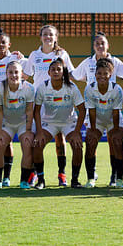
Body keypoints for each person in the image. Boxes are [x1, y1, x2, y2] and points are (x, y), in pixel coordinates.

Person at [24, 25, 75, 186]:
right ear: (40, 37)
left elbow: (71, 75)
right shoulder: (34, 55)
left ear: (56, 37)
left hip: (59, 102)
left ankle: (62, 174)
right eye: (45, 34)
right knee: (36, 138)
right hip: (40, 102)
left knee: (60, 138)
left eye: (51, 35)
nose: (48, 37)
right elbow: (25, 75)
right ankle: (35, 174)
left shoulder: (62, 54)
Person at [33, 58, 85, 188]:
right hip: (49, 122)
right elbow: (36, 111)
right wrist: (39, 132)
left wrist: (77, 132)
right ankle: (40, 180)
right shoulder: (42, 87)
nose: (56, 72)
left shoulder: (71, 87)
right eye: (53, 69)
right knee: (38, 145)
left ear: (63, 72)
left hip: (68, 122)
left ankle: (74, 180)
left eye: (59, 69)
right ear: (49, 72)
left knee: (78, 146)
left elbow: (82, 110)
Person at [0, 29, 27, 184]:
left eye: (3, 42)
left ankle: (6, 177)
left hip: (11, 105)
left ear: (9, 44)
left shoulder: (16, 58)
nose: (0, 45)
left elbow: (29, 72)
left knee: (7, 141)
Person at [0, 61, 35, 189]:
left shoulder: (29, 88)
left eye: (16, 72)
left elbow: (29, 110)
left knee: (27, 143)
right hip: (7, 123)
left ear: (21, 74)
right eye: (10, 72)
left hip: (23, 124)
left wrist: (27, 130)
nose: (14, 75)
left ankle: (24, 181)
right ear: (6, 74)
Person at [83, 58, 123, 187]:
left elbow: (116, 112)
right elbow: (91, 111)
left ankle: (117, 178)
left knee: (117, 141)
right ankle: (91, 178)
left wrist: (115, 131)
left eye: (105, 74)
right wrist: (94, 129)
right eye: (99, 73)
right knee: (90, 141)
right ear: (95, 75)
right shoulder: (89, 89)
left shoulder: (117, 89)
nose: (102, 76)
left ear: (110, 75)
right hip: (97, 120)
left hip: (114, 120)